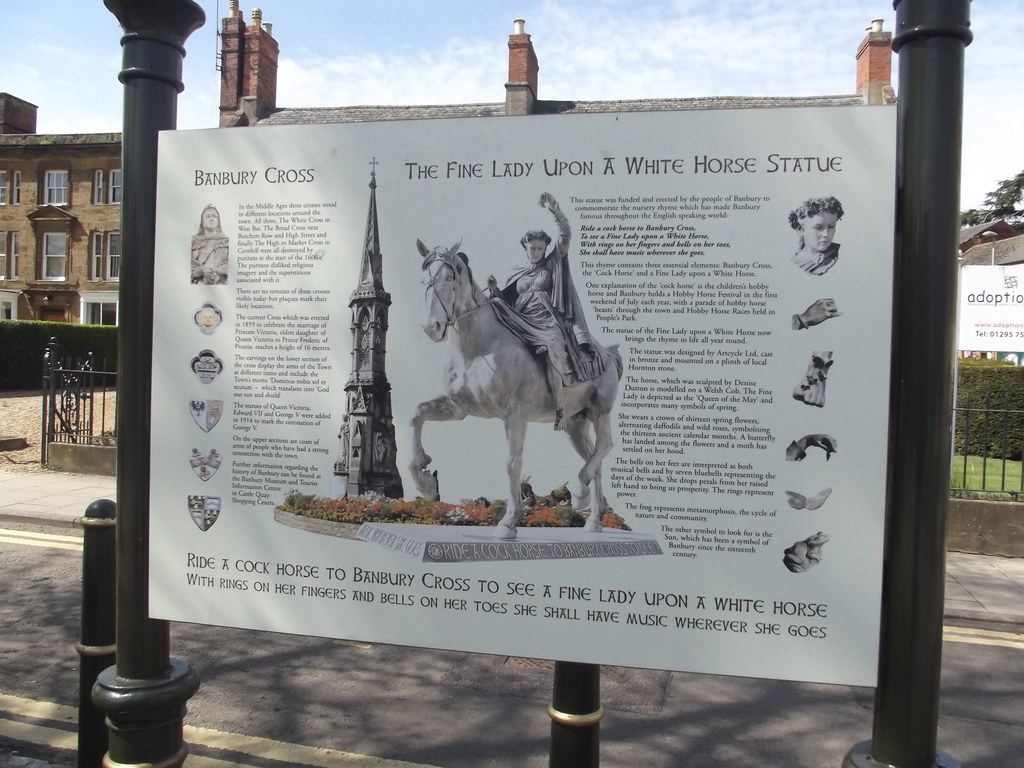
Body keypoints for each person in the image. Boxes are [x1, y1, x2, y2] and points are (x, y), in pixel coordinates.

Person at [487, 192, 601, 430]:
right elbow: (505, 300)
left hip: (547, 322)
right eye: (532, 248)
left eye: (540, 248)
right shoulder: (517, 272)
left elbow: (566, 234)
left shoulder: (552, 262)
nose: (536, 252)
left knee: (551, 348)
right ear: (525, 248)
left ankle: (560, 410)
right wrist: (495, 289)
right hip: (520, 318)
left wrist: (554, 209)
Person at [788, 196, 844, 275]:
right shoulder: (793, 262)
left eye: (831, 227)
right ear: (801, 230)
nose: (826, 234)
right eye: (818, 227)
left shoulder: (840, 257)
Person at [191, 204, 229, 284]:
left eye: (214, 216)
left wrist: (221, 270)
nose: (211, 218)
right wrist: (200, 270)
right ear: (202, 223)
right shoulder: (194, 243)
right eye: (208, 216)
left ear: (218, 222)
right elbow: (187, 269)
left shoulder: (226, 242)